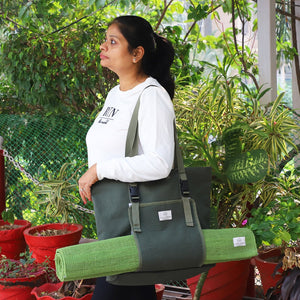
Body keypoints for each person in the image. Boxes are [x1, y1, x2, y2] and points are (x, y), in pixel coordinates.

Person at [78, 15, 175, 300]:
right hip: (114, 217)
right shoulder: (115, 95)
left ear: (137, 53)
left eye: (113, 41)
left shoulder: (151, 96)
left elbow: (160, 162)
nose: (103, 46)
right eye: (105, 39)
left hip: (135, 221)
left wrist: (100, 170)